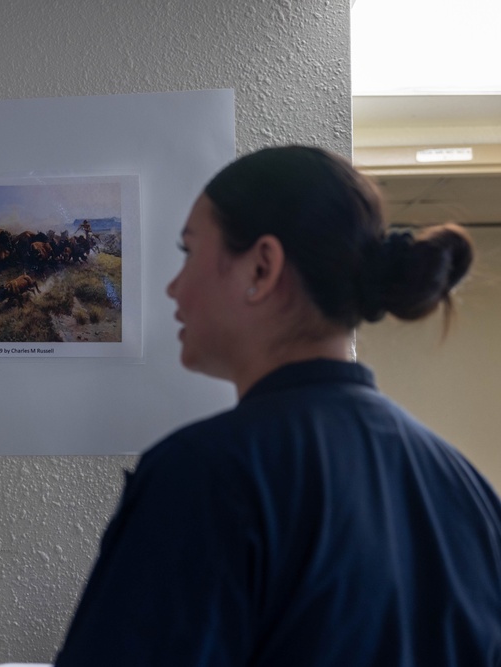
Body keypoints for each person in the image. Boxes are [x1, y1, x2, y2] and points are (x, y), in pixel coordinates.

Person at [54, 146, 501, 666]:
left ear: (262, 268)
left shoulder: (205, 476)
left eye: (189, 251)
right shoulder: (466, 489)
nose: (174, 288)